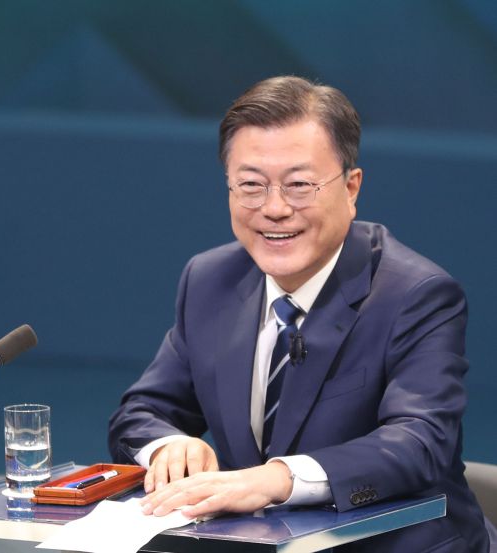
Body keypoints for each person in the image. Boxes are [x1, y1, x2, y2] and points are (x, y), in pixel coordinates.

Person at [108, 76, 493, 552]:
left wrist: (275, 480)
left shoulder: (415, 294)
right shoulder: (209, 280)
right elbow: (140, 413)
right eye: (251, 185)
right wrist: (169, 446)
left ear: (351, 188)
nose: (274, 209)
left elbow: (420, 442)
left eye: (299, 185)